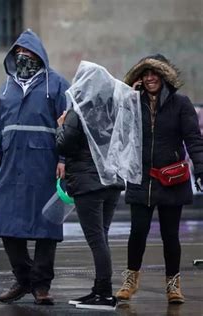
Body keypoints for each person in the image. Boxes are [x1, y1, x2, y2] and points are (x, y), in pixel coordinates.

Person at [0, 29, 69, 305]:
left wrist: (63, 160)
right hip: (10, 165)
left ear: (40, 56)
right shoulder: (6, 88)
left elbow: (68, 128)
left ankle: (41, 285)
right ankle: (24, 280)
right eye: (19, 54)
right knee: (7, 225)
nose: (24, 58)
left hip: (44, 166)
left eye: (29, 54)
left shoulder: (56, 85)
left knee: (47, 226)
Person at [116, 54, 203, 304]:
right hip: (140, 178)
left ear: (164, 76)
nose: (150, 77)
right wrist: (128, 100)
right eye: (145, 73)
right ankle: (131, 280)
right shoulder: (132, 102)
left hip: (171, 179)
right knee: (138, 232)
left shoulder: (181, 103)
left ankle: (173, 285)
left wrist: (201, 167)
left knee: (170, 236)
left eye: (154, 73)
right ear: (139, 78)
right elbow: (119, 132)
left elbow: (193, 139)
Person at [55, 62, 133, 310]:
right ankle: (100, 290)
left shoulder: (78, 112)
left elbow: (64, 145)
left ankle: (104, 295)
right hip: (111, 183)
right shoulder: (112, 111)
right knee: (102, 238)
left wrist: (60, 125)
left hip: (89, 184)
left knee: (96, 239)